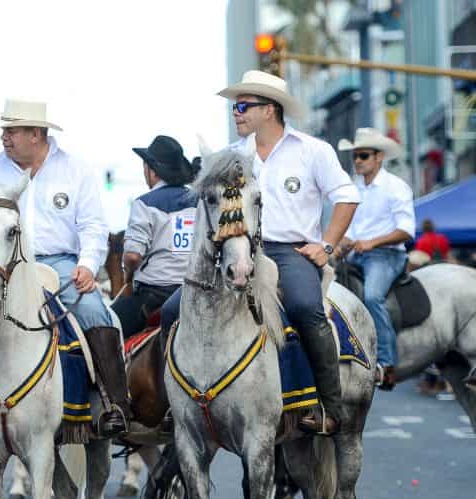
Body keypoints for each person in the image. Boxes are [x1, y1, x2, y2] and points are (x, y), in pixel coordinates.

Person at [161, 71, 360, 436]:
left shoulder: (313, 151)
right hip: (234, 249)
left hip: (290, 252)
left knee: (305, 308)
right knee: (173, 309)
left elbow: (347, 197)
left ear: (269, 110)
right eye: (234, 107)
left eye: (242, 106)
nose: (235, 113)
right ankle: (172, 405)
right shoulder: (231, 157)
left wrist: (326, 245)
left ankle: (330, 408)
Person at [0, 98, 130, 452]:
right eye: (4, 130)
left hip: (59, 262)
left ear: (36, 134)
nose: (4, 137)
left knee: (93, 312)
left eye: (12, 130)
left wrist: (88, 265)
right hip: (3, 267)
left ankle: (114, 407)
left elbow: (93, 226)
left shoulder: (75, 169)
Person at [337, 128, 415, 390]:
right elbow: (349, 231)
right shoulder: (353, 188)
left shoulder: (396, 187)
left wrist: (372, 242)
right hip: (357, 255)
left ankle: (387, 363)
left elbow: (406, 230)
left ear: (379, 157)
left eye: (363, 155)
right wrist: (339, 245)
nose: (357, 160)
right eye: (355, 156)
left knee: (371, 296)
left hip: (387, 255)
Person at [113, 135, 198, 337]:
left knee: (107, 330)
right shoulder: (200, 201)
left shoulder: (144, 203)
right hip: (194, 291)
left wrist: (128, 273)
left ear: (152, 171)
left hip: (155, 293)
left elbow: (133, 256)